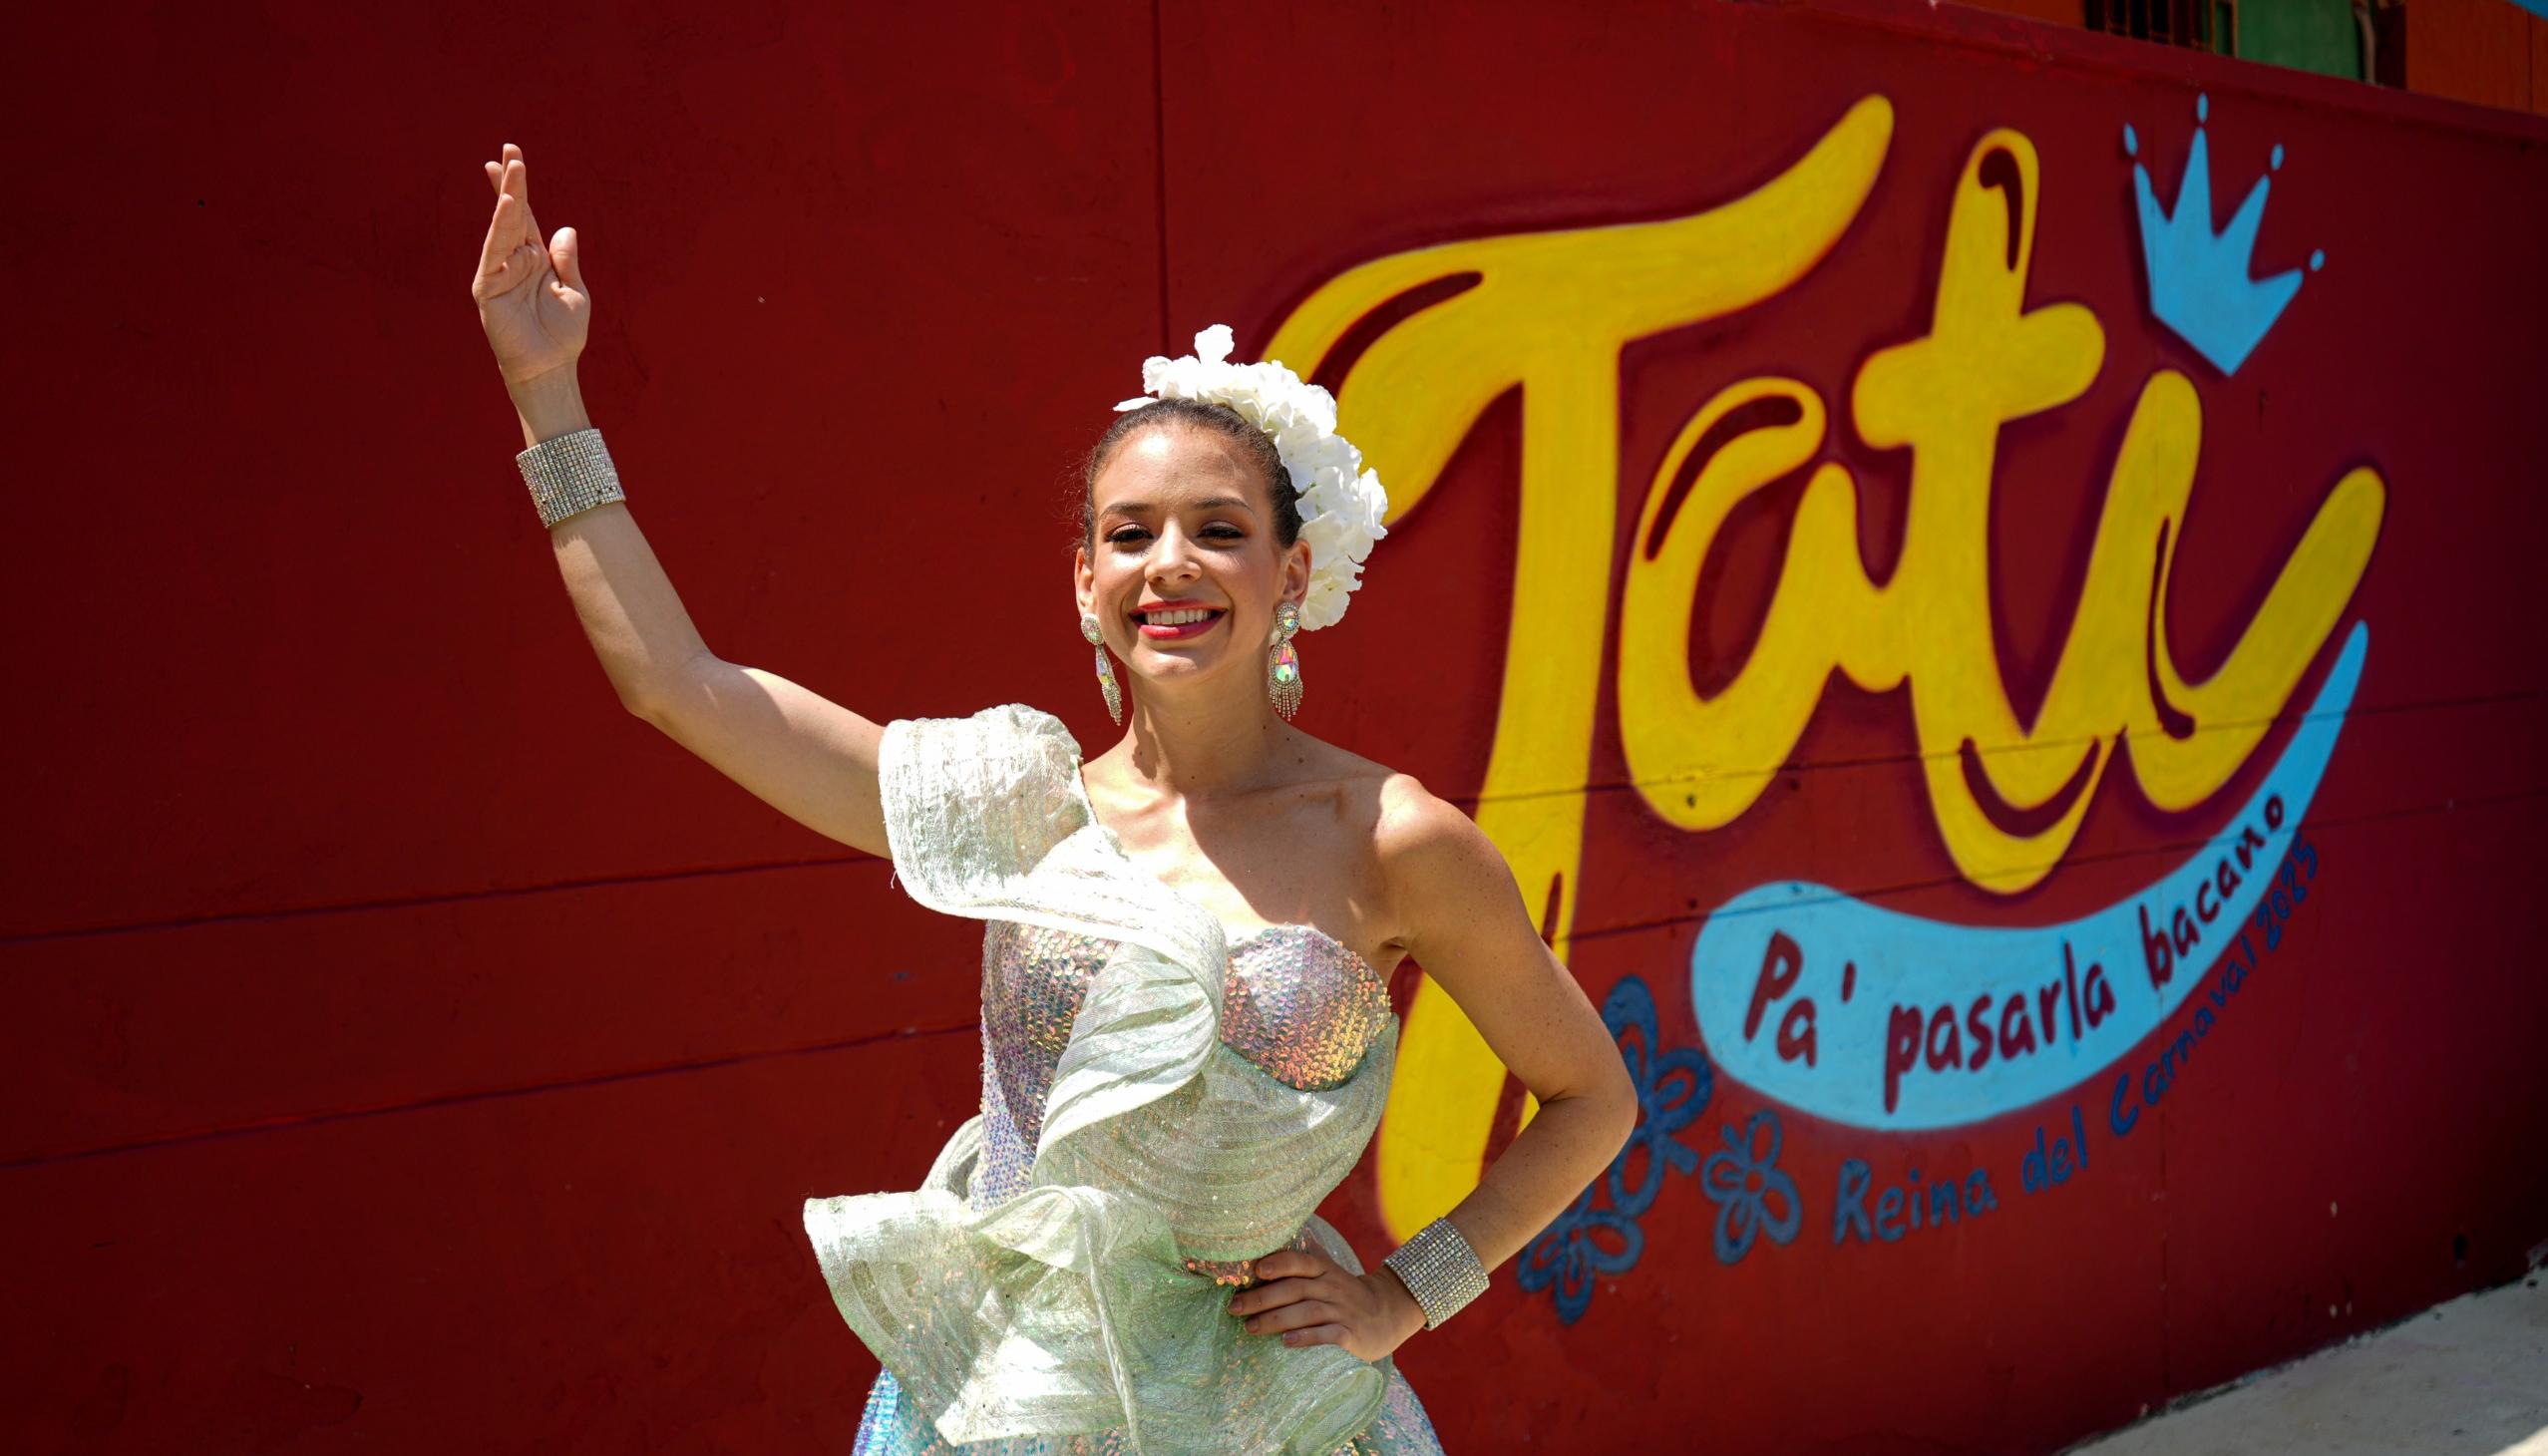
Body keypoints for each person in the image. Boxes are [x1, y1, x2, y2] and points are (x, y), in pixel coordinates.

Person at [471, 142, 1640, 1454]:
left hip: (1268, 1415)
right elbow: (682, 688)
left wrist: (1396, 1299)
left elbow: (1593, 1099)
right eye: (1130, 533)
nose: (1171, 564)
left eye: (1219, 528)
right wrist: (543, 391)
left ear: (1294, 570)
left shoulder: (1393, 838)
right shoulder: (1018, 814)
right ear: (1082, 580)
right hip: (999, 1407)